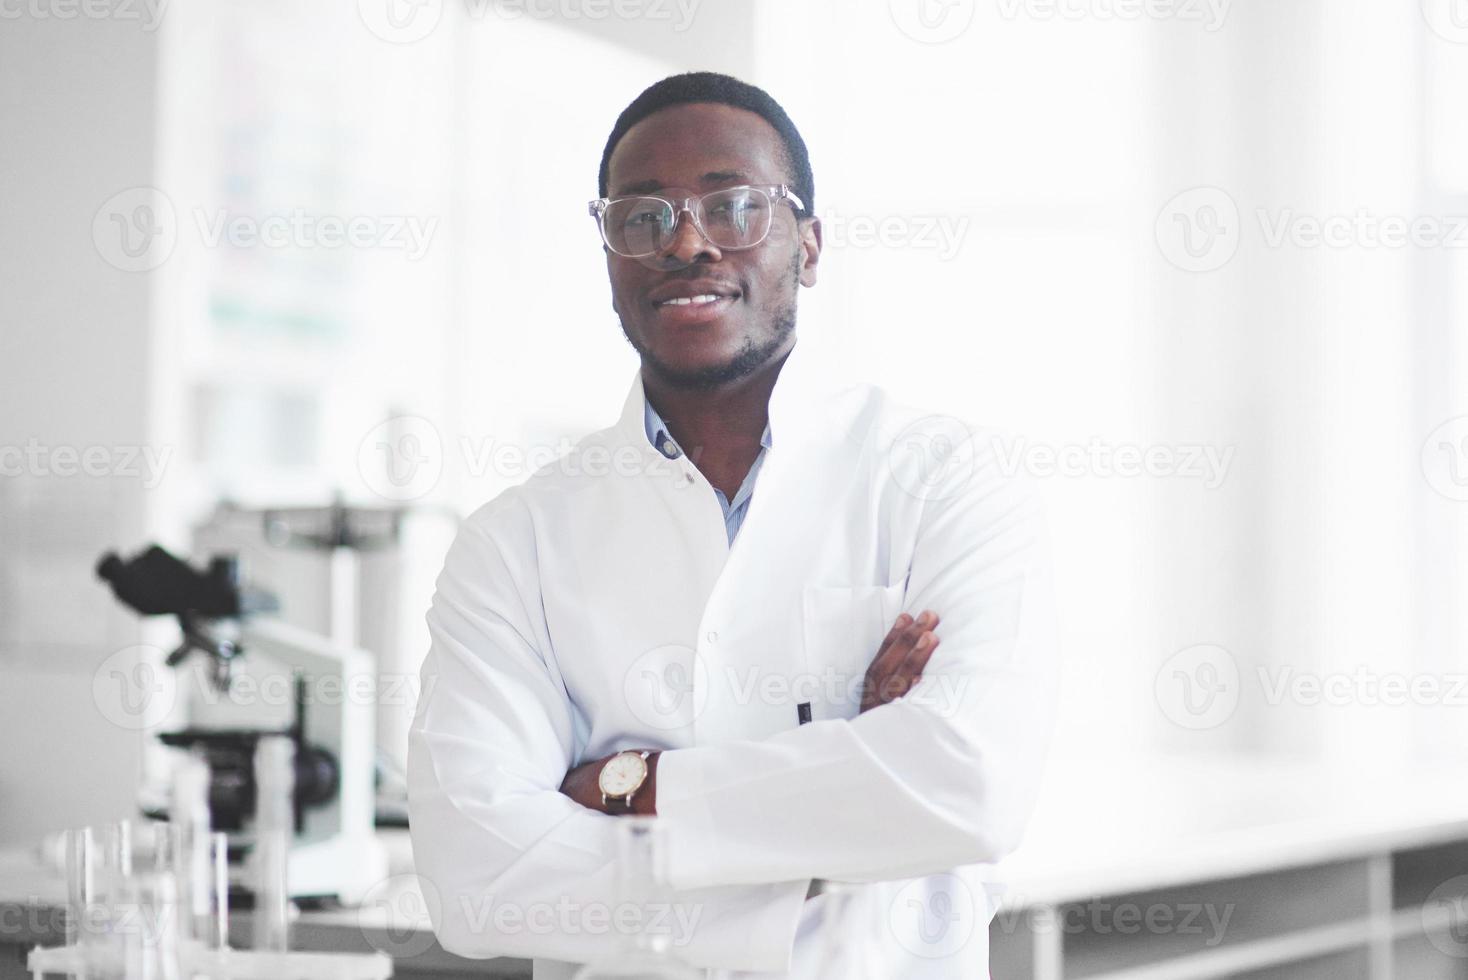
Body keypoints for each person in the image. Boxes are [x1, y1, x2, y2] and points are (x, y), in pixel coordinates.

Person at [407, 70, 1060, 979]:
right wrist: (845, 826)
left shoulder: (944, 482)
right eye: (641, 217)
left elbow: (970, 785)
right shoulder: (512, 545)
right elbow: (479, 878)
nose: (685, 243)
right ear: (607, 255)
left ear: (811, 244)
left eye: (734, 206)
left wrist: (630, 792)